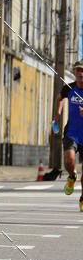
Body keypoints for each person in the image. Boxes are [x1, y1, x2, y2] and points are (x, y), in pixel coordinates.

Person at [52, 59, 83, 211]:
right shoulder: (69, 88)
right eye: (78, 70)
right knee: (69, 160)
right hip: (72, 133)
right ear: (75, 72)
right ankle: (72, 176)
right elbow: (59, 98)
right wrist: (58, 113)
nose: (81, 73)